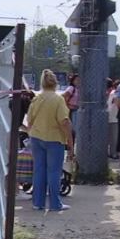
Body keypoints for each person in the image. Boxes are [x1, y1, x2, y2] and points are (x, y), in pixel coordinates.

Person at [26, 69, 75, 211]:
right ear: (55, 83)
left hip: (36, 137)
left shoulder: (36, 98)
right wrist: (70, 144)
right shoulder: (58, 99)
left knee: (39, 170)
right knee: (54, 171)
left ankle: (38, 203)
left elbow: (29, 121)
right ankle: (55, 203)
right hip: (54, 138)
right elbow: (64, 122)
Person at [63, 74, 80, 139]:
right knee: (72, 128)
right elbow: (64, 97)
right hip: (71, 110)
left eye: (79, 80)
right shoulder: (71, 88)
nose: (78, 81)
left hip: (76, 110)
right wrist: (68, 106)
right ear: (73, 81)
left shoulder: (78, 89)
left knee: (75, 129)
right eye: (76, 80)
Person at [107, 79, 119, 159]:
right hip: (113, 117)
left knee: (114, 137)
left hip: (115, 117)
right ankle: (113, 153)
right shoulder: (115, 94)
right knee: (114, 137)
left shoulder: (113, 93)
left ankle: (113, 152)